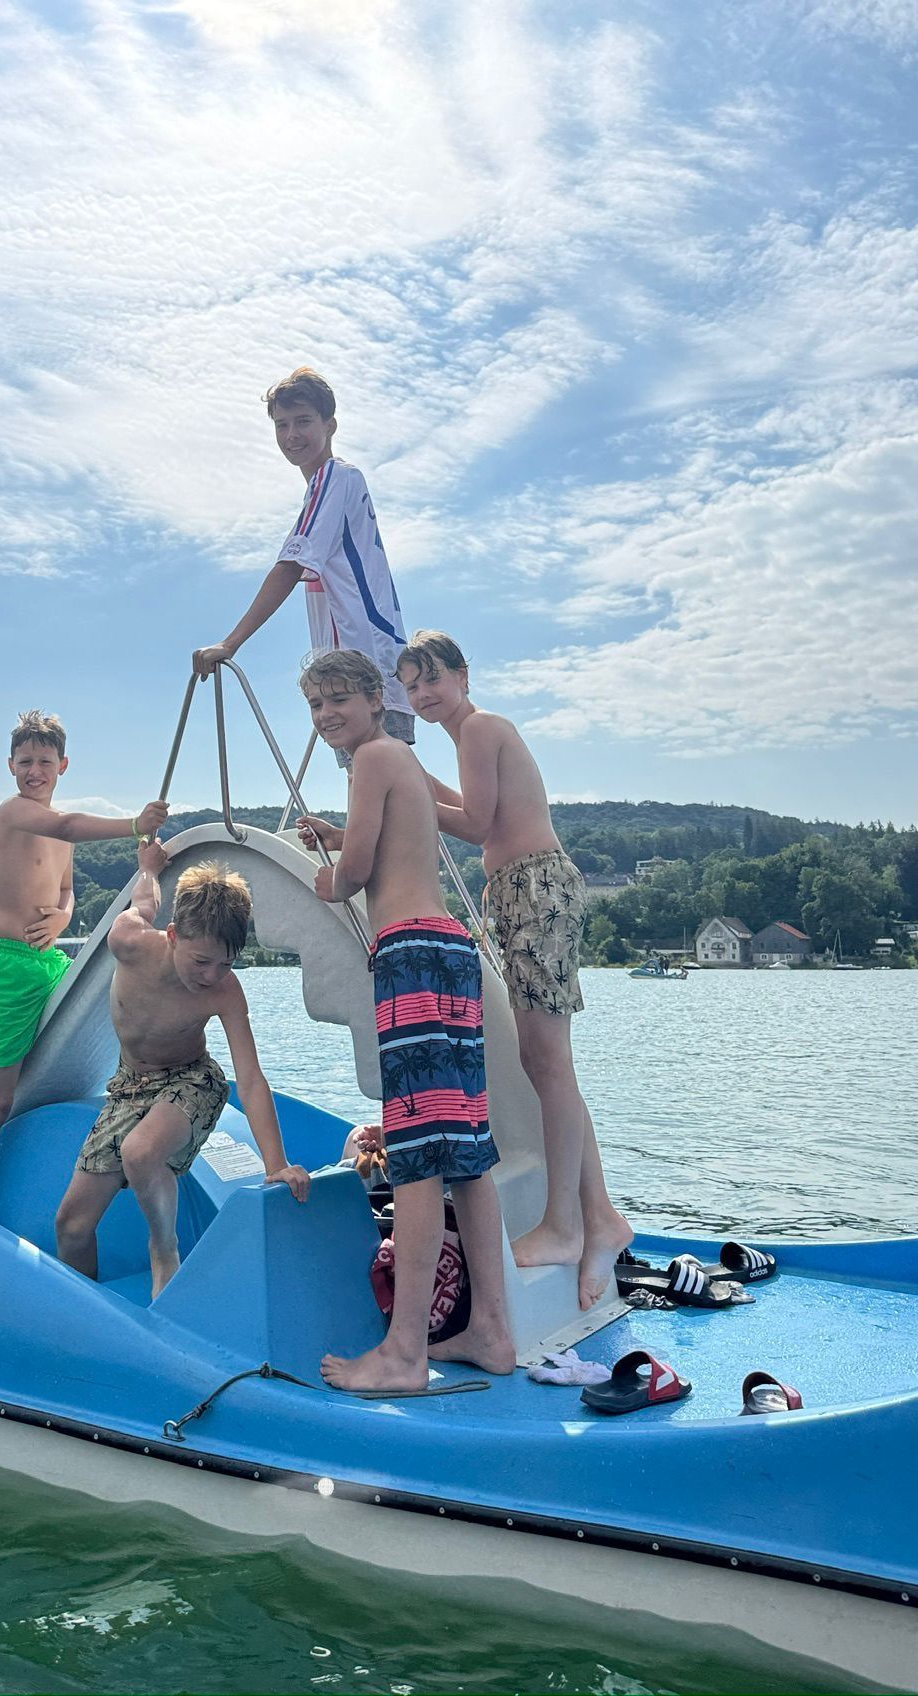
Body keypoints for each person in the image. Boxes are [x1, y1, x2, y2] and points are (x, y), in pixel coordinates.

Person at [295, 648, 515, 1392]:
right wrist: (342, 839)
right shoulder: (397, 763)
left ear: (370, 697)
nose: (327, 716)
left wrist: (327, 874)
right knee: (466, 1154)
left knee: (417, 1156)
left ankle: (405, 1353)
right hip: (451, 953)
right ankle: (490, 1331)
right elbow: (394, 845)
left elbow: (354, 875)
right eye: (316, 707)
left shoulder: (369, 761)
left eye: (337, 701)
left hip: (412, 957)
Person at [396, 629, 633, 1309]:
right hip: (522, 894)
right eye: (412, 686)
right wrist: (406, 778)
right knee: (548, 1064)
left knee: (549, 1061)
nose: (422, 693)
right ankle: (601, 1219)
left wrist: (404, 792)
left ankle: (566, 1225)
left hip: (535, 889)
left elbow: (474, 822)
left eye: (432, 678)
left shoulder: (480, 728)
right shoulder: (474, 737)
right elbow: (474, 807)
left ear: (463, 676)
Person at [55, 841, 310, 1297]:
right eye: (201, 961)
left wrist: (278, 1164)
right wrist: (148, 868)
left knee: (140, 1152)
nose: (212, 974)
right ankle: (86, 1312)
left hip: (193, 1080)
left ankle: (164, 1248)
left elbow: (249, 1079)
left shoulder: (224, 992)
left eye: (226, 963)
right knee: (71, 1226)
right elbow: (144, 902)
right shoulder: (128, 943)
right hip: (130, 1086)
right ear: (173, 935)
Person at [0, 711, 168, 1208]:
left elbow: (67, 891)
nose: (35, 771)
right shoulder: (15, 812)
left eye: (44, 761)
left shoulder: (58, 831)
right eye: (25, 761)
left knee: (60, 1078)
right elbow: (68, 825)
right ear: (10, 766)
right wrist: (134, 824)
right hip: (4, 967)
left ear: (63, 765)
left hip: (48, 965)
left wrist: (63, 920)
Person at [191, 368, 414, 766]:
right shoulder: (324, 490)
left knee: (381, 785)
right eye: (282, 425)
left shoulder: (335, 476)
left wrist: (231, 642)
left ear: (330, 425)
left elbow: (291, 565)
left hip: (362, 665)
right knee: (386, 788)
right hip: (359, 665)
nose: (292, 434)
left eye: (304, 421)